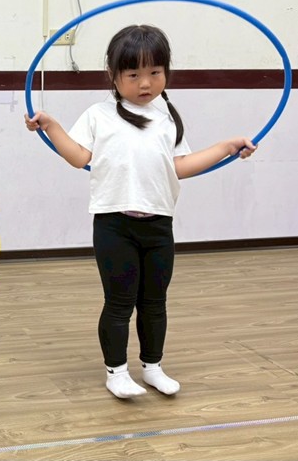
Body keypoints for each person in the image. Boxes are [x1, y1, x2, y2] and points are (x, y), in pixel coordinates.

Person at [24, 24, 256, 399]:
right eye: (133, 75)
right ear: (113, 75)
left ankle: (152, 367)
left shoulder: (167, 117)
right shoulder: (100, 115)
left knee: (154, 303)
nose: (145, 83)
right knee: (119, 303)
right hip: (114, 225)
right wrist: (51, 126)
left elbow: (180, 166)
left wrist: (226, 147)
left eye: (155, 72)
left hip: (159, 225)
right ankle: (116, 372)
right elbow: (79, 157)